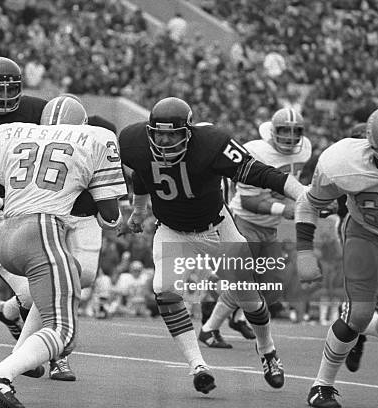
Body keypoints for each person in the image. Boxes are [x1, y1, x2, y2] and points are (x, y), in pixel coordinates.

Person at [120, 97, 306, 394]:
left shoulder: (211, 143)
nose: (165, 141)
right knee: (165, 291)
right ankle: (198, 366)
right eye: (160, 134)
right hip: (172, 230)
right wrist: (139, 211)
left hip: (218, 228)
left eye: (173, 134)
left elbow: (257, 171)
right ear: (150, 131)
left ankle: (267, 349)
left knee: (248, 298)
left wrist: (299, 192)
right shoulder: (133, 141)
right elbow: (141, 172)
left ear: (189, 132)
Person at [0, 96, 127, 408]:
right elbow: (110, 218)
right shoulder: (96, 139)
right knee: (64, 332)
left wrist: (0, 199)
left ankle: (19, 358)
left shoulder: (10, 134)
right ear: (83, 125)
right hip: (43, 232)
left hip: (9, 235)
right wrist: (88, 196)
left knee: (72, 272)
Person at [296, 104, 378, 408]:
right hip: (366, 237)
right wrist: (304, 252)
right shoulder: (344, 162)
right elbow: (308, 204)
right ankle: (321, 386)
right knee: (358, 313)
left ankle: (364, 330)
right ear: (374, 146)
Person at [201, 108, 312, 348]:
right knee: (243, 281)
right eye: (284, 131)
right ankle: (210, 327)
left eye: (296, 132)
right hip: (245, 223)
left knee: (271, 285)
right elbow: (249, 201)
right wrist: (284, 209)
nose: (291, 138)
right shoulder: (255, 151)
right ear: (273, 131)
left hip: (269, 228)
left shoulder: (305, 149)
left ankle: (238, 315)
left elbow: (293, 184)